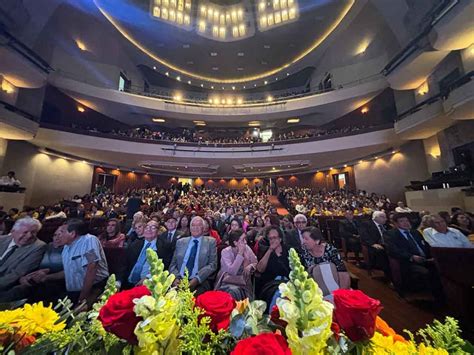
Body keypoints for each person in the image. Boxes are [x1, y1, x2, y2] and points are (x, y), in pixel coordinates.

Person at [384, 213, 444, 303]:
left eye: (407, 221)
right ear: (396, 224)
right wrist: (411, 257)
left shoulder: (415, 232)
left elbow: (425, 245)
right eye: (401, 221)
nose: (405, 223)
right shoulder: (390, 234)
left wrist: (432, 256)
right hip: (408, 262)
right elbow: (394, 250)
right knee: (427, 273)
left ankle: (445, 295)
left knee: (441, 269)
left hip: (425, 259)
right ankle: (435, 298)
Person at [0, 224, 67, 302]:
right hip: (32, 281)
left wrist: (47, 276)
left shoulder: (68, 250)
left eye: (61, 235)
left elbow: (71, 271)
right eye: (55, 235)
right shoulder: (46, 247)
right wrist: (24, 277)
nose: (57, 238)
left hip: (53, 284)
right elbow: (31, 265)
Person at [62, 219, 109, 306]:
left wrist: (82, 298)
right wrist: (47, 277)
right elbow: (70, 270)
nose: (59, 235)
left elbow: (92, 267)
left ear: (72, 234)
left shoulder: (89, 241)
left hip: (93, 289)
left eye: (62, 232)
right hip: (73, 292)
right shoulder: (66, 247)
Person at [0, 217, 47, 300]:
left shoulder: (38, 246)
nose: (29, 236)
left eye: (33, 232)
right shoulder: (2, 240)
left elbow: (17, 274)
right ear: (13, 231)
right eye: (25, 232)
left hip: (6, 286)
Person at [169, 216, 217, 295]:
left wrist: (197, 279)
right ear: (190, 228)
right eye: (193, 225)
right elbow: (173, 264)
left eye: (199, 225)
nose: (195, 228)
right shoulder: (180, 242)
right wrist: (175, 278)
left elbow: (213, 264)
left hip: (199, 281)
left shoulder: (210, 242)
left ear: (203, 228)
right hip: (179, 279)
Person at [300, 227, 350, 298]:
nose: (303, 242)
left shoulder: (330, 250)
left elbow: (342, 273)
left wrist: (341, 295)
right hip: (316, 293)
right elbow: (303, 276)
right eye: (302, 238)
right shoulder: (303, 252)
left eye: (306, 239)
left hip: (336, 290)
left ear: (317, 240)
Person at [215, 229, 257, 300]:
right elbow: (232, 271)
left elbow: (255, 262)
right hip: (228, 282)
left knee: (238, 292)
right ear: (235, 243)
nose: (246, 242)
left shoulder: (247, 248)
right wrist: (240, 254)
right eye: (243, 240)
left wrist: (250, 266)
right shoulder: (225, 252)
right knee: (233, 291)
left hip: (244, 283)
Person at [256, 226, 290, 312]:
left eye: (275, 237)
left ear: (280, 239)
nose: (273, 240)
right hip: (271, 285)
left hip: (289, 283)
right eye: (270, 238)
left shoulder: (289, 250)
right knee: (278, 294)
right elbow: (260, 269)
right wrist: (270, 250)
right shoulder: (265, 251)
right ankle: (274, 318)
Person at [125, 220, 160, 288]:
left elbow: (164, 266)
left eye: (153, 227)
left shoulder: (164, 246)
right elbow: (125, 263)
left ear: (158, 231)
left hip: (148, 284)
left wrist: (148, 278)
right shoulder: (135, 244)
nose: (149, 229)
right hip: (128, 281)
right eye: (147, 227)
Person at [359, 211, 390, 277]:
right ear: (376, 218)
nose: (386, 219)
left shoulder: (386, 225)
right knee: (382, 251)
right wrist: (372, 244)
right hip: (372, 245)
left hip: (387, 244)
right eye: (383, 217)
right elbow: (364, 236)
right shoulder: (366, 224)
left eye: (386, 217)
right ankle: (388, 274)